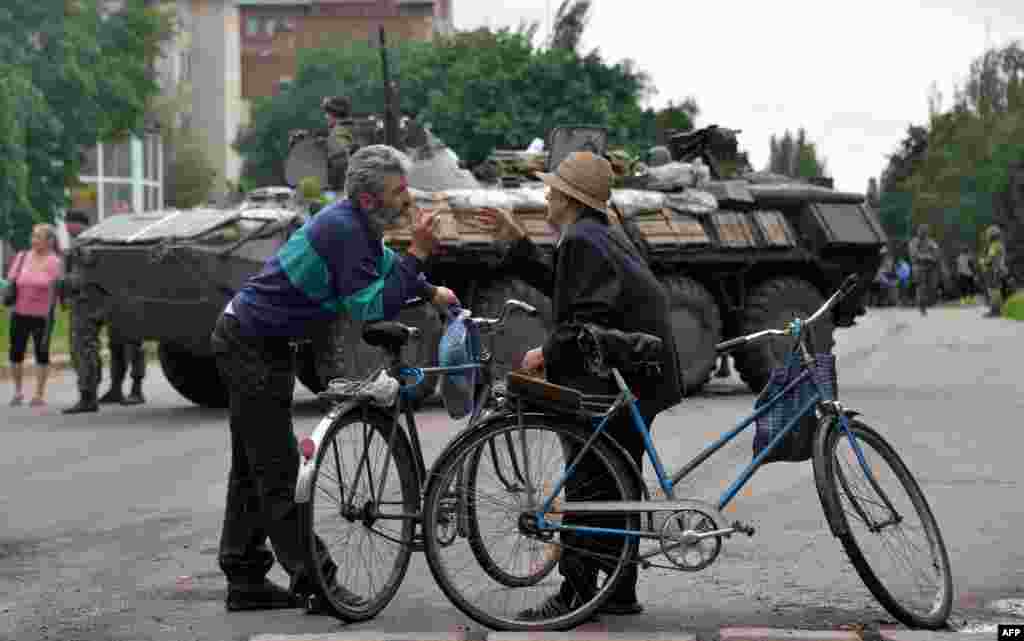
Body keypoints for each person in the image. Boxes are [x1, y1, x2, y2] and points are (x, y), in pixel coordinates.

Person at [209, 145, 458, 613]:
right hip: (249, 344)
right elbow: (367, 307)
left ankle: (244, 575)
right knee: (280, 469)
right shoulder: (344, 228)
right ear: (368, 199)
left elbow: (384, 270)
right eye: (398, 192)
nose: (407, 200)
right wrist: (419, 255)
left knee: (253, 467)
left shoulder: (360, 226)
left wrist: (429, 290)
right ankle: (318, 582)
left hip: (261, 342)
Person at [476, 151, 683, 620]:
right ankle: (617, 590)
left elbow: (585, 320)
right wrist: (518, 242)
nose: (547, 195)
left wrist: (545, 354)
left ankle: (576, 594)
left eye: (552, 190)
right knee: (615, 481)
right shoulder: (600, 233)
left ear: (569, 199)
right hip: (638, 370)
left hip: (617, 373)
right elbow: (570, 289)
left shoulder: (582, 241)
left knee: (590, 484)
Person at [61, 212, 146, 413]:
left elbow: (86, 271)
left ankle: (104, 393)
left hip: (97, 301)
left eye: (72, 225)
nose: (69, 229)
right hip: (94, 300)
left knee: (120, 344)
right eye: (68, 225)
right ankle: (102, 391)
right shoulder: (81, 244)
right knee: (101, 346)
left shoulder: (93, 242)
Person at [6, 224, 63, 407]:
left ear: (50, 241)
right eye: (33, 236)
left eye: (39, 237)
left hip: (43, 316)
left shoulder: (55, 262)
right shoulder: (22, 257)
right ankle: (17, 392)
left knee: (42, 353)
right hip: (19, 313)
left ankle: (39, 393)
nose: (34, 240)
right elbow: (11, 280)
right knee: (16, 352)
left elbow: (58, 289)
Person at [322, 95, 356, 191]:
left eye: (327, 113)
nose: (325, 117)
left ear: (333, 114)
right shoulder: (355, 128)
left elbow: (340, 162)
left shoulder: (337, 132)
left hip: (343, 190)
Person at [908, 224, 942, 315]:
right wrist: (928, 256)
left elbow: (936, 250)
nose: (924, 232)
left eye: (925, 231)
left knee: (932, 286)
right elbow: (914, 254)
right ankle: (921, 306)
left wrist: (934, 257)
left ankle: (927, 302)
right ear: (918, 231)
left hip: (930, 266)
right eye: (922, 230)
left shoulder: (930, 241)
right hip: (918, 266)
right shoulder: (914, 242)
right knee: (921, 287)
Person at [980, 224, 1009, 318]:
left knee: (993, 290)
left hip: (994, 271)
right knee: (996, 289)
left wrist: (983, 262)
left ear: (991, 236)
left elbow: (990, 258)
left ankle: (995, 310)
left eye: (988, 235)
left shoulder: (994, 246)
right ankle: (998, 309)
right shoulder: (1000, 244)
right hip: (1000, 269)